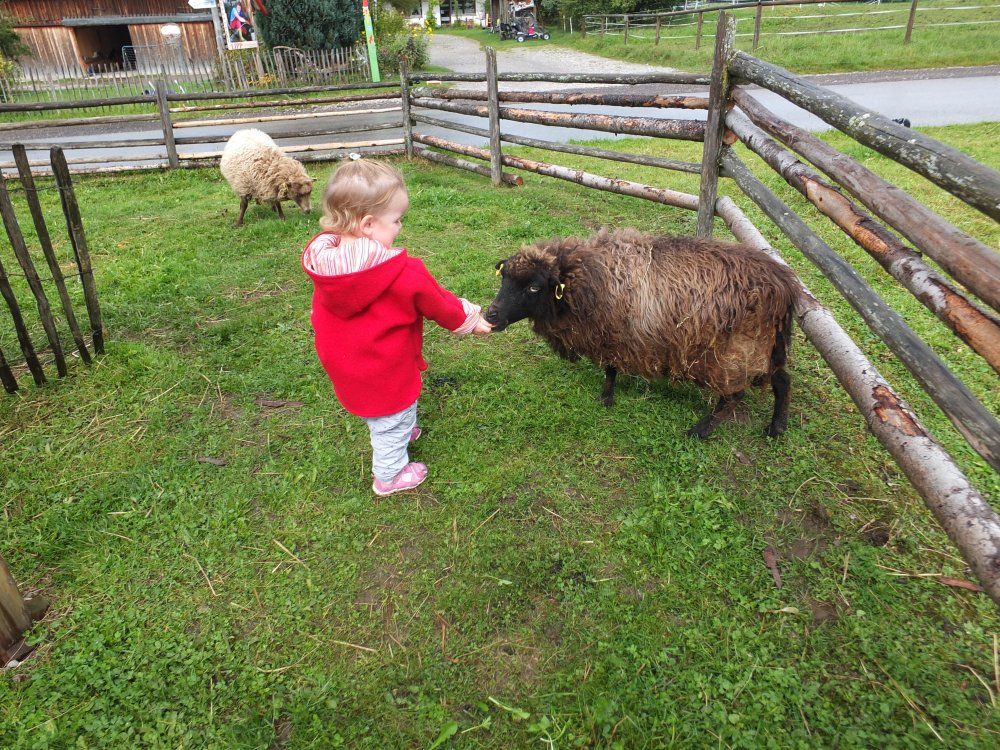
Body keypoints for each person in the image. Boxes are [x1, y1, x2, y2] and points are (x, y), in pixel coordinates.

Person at [302, 160, 491, 497]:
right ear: (369, 224)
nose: (400, 226)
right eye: (397, 220)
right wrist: (471, 319)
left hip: (346, 364)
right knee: (392, 417)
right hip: (384, 369)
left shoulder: (327, 267)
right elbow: (440, 304)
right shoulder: (403, 273)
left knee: (383, 412)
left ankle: (396, 428)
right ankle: (389, 475)